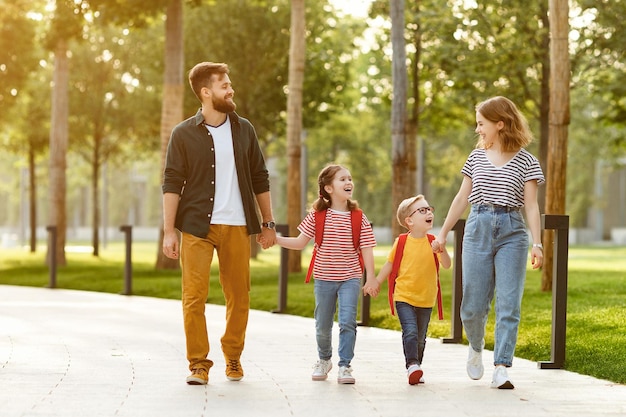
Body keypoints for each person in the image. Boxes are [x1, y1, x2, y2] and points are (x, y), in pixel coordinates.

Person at [162, 62, 277, 385]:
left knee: (239, 296)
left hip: (238, 225)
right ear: (205, 92)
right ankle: (198, 364)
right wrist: (169, 231)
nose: (231, 89)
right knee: (193, 297)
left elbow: (260, 177)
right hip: (196, 226)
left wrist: (268, 223)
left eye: (230, 83)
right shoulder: (183, 133)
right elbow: (172, 183)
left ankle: (233, 356)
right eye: (224, 85)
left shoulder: (244, 130)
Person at [431, 96, 545, 390]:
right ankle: (476, 345)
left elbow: (531, 206)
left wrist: (538, 243)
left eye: (482, 123)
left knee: (509, 303)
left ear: (500, 124)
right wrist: (442, 234)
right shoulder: (476, 157)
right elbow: (461, 198)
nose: (478, 129)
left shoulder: (527, 161)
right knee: (472, 306)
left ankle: (502, 367)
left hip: (512, 232)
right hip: (477, 227)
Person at [274, 164, 376, 384]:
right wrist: (276, 239)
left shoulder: (358, 217)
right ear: (329, 188)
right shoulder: (318, 216)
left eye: (349, 178)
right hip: (324, 278)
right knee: (322, 324)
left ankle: (345, 365)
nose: (349, 182)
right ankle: (324, 359)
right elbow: (300, 242)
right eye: (342, 179)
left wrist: (372, 278)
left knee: (348, 321)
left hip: (350, 277)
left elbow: (367, 248)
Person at [363, 195, 451, 385]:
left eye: (429, 209)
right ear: (409, 221)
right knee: (410, 331)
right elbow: (390, 264)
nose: (428, 212)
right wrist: (376, 281)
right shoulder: (401, 241)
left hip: (426, 297)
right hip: (404, 295)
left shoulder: (434, 241)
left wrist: (441, 250)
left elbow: (446, 265)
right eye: (422, 210)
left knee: (420, 338)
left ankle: (416, 366)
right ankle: (412, 365)